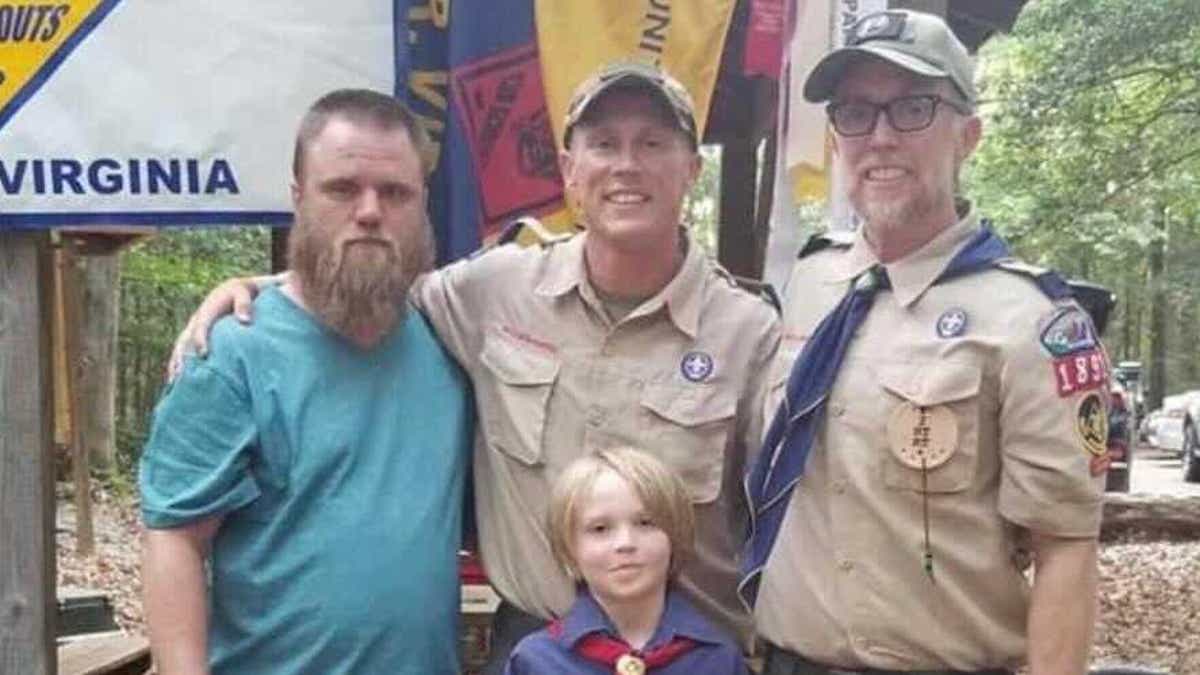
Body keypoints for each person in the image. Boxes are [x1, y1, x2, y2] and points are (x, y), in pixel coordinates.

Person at [169, 61, 780, 669]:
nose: (626, 165)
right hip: (537, 651)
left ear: (693, 170)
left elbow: (785, 523)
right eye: (603, 145)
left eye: (652, 143)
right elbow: (367, 274)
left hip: (689, 656)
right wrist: (264, 286)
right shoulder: (493, 291)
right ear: (570, 171)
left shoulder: (750, 336)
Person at [742, 10, 1106, 675]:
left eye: (912, 107)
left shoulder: (1032, 323)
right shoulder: (810, 286)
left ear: (968, 134)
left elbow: (1065, 551)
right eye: (854, 112)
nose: (879, 137)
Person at [140, 90, 473, 674]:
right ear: (299, 198)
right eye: (342, 189)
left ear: (422, 203)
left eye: (394, 192)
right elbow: (175, 540)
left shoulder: (454, 339)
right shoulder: (232, 353)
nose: (369, 210)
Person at [504, 447, 748, 674]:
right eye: (600, 529)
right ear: (569, 548)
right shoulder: (537, 660)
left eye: (646, 523)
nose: (625, 543)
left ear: (675, 535)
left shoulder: (718, 658)